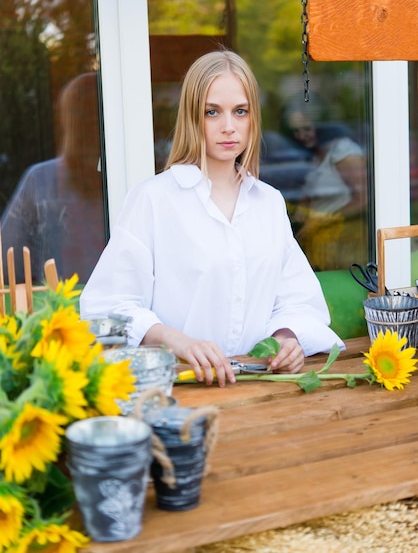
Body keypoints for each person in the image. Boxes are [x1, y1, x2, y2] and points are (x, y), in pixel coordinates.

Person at [80, 50, 345, 387]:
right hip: (180, 388)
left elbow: (298, 298)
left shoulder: (269, 202)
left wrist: (287, 338)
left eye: (240, 111)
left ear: (253, 118)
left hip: (259, 389)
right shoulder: (154, 200)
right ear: (193, 117)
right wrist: (178, 341)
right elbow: (109, 306)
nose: (229, 127)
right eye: (212, 112)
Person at [1, 72, 105, 284]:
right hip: (56, 314)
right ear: (64, 122)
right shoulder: (40, 183)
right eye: (78, 116)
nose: (86, 129)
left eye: (92, 119)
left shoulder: (131, 185)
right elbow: (7, 273)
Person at [285, 102, 368, 271]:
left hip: (343, 241)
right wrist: (303, 207)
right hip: (319, 240)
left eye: (307, 128)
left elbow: (363, 199)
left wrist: (321, 220)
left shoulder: (343, 150)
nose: (302, 135)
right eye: (296, 131)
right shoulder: (315, 153)